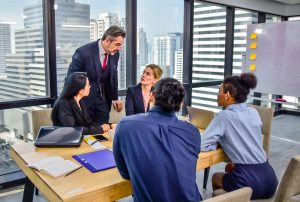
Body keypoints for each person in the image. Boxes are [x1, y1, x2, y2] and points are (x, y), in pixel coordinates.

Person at [113, 78, 202, 202]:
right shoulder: (192, 132)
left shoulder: (125, 125)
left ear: (151, 96)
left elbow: (125, 174)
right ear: (181, 103)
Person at [201, 73, 278, 200]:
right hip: (270, 180)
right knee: (229, 167)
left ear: (227, 95)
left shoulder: (223, 116)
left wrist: (218, 143)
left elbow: (202, 145)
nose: (217, 94)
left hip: (250, 183)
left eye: (219, 90)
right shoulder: (253, 112)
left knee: (216, 177)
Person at [67, 25, 126, 124]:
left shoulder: (115, 54)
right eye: (117, 44)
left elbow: (113, 76)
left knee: (103, 129)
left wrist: (115, 98)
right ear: (107, 40)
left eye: (121, 45)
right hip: (84, 101)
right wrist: (74, 103)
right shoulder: (83, 52)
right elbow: (70, 78)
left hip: (103, 101)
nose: (119, 48)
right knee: (85, 130)